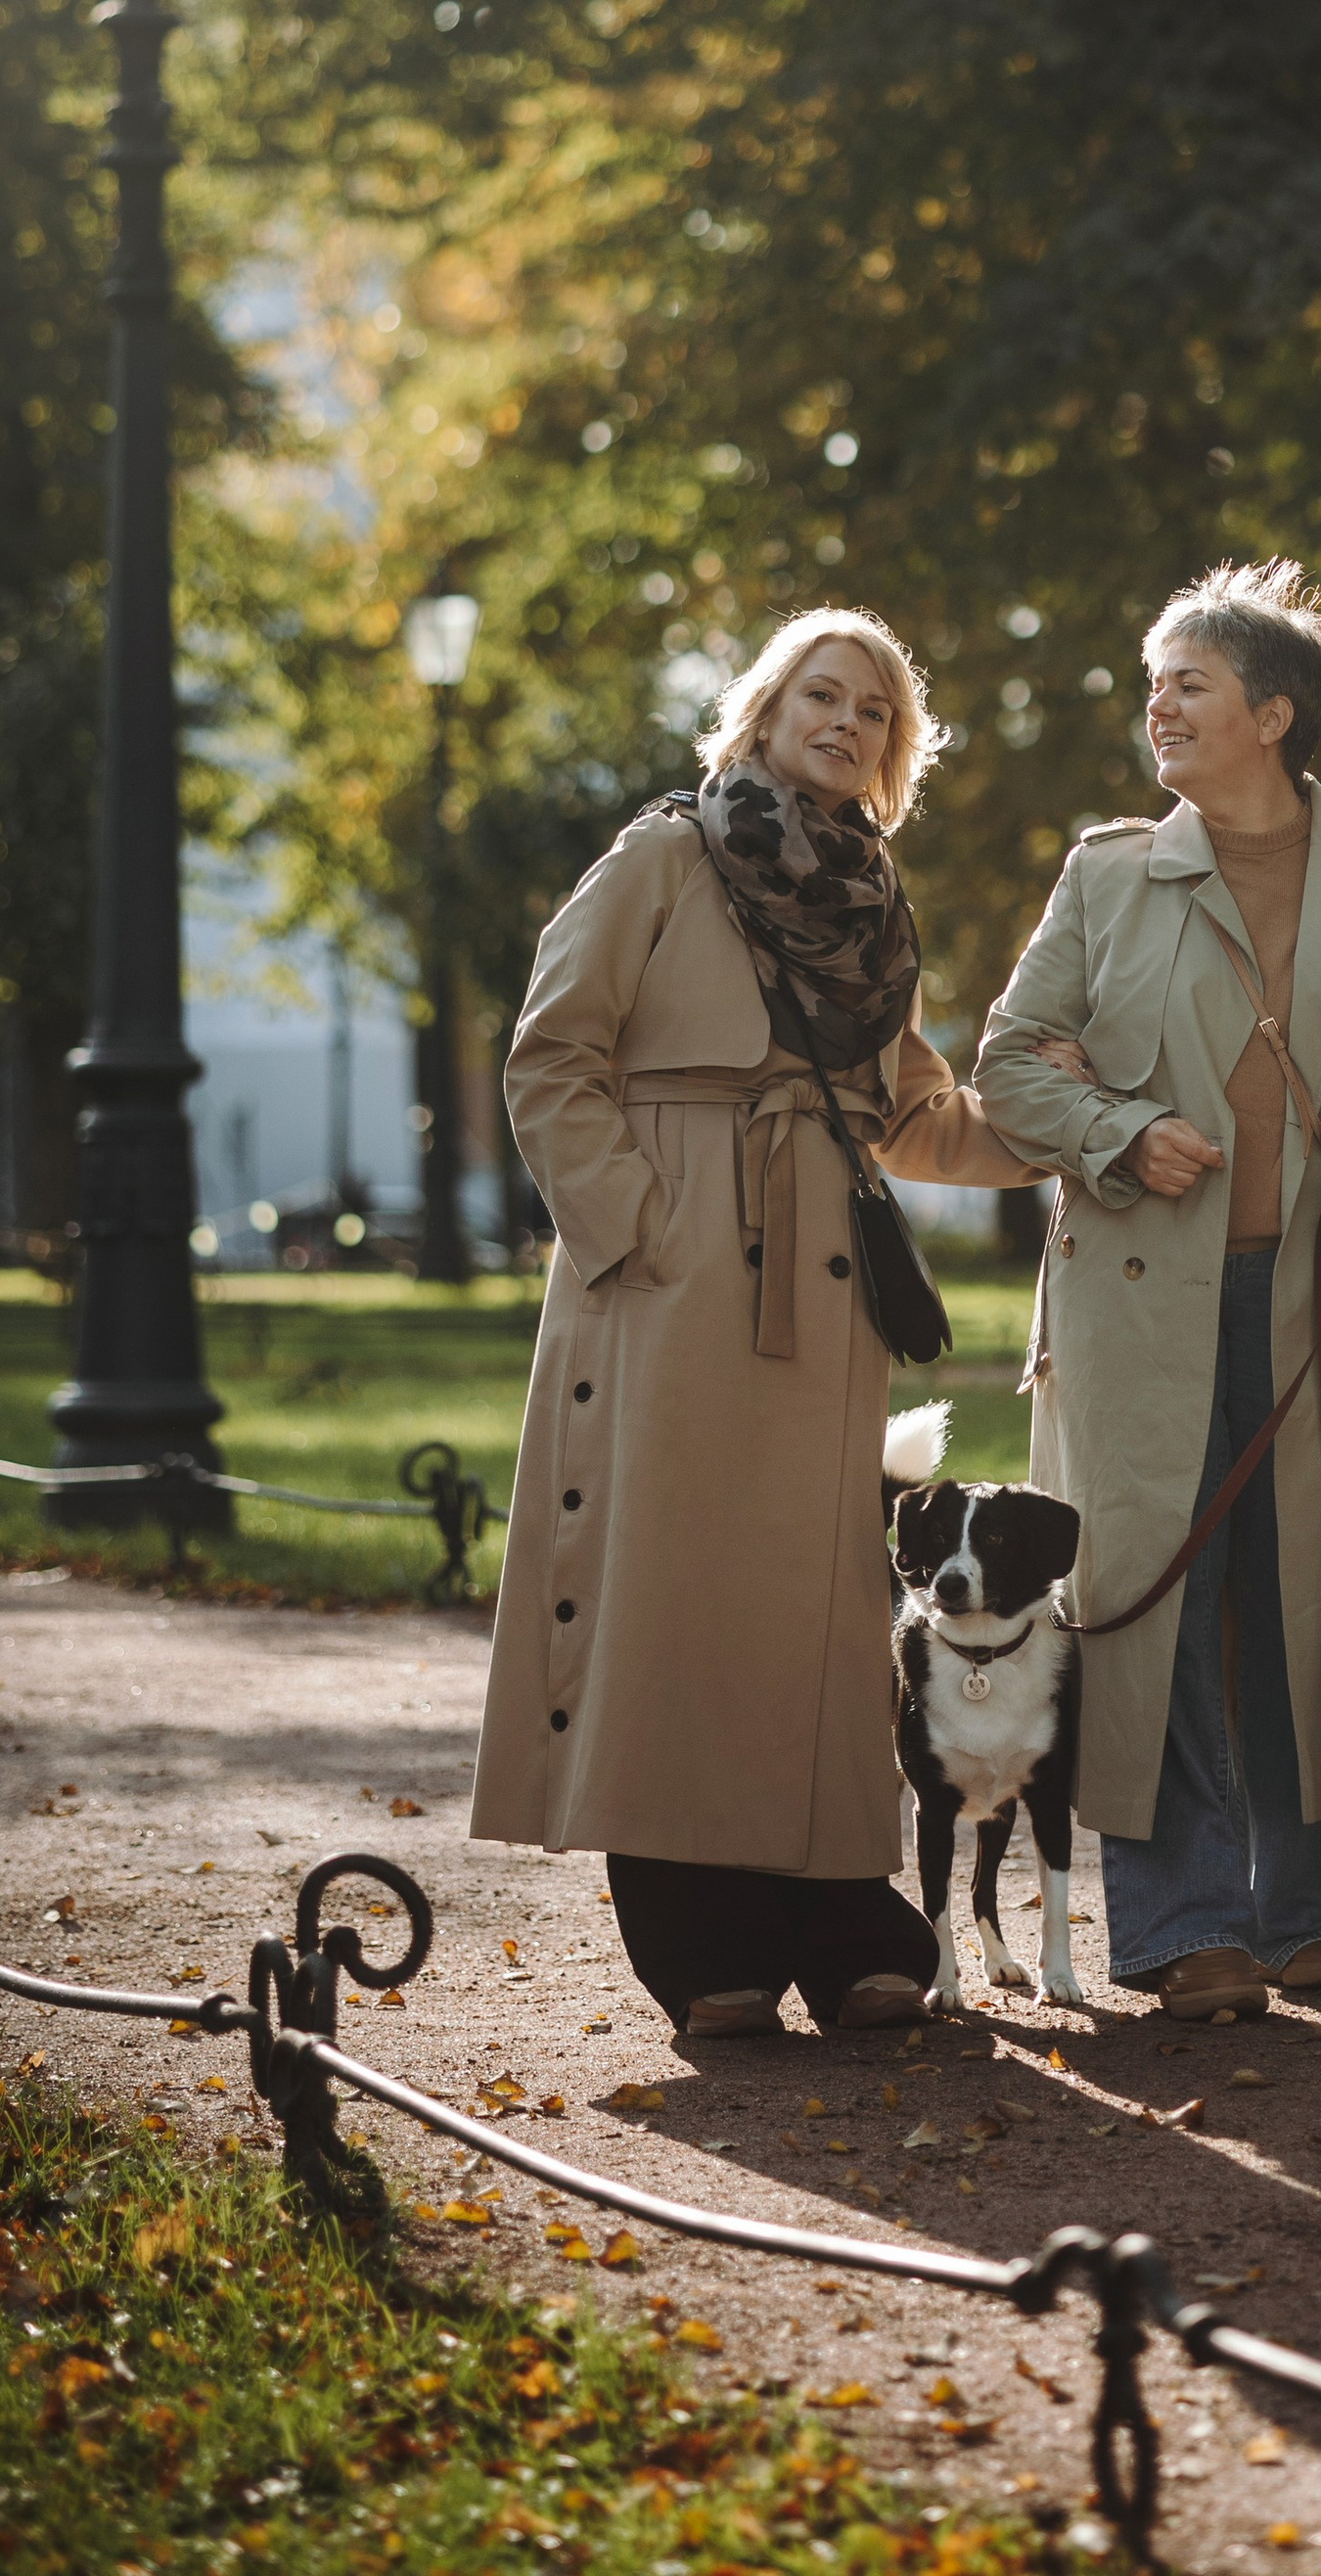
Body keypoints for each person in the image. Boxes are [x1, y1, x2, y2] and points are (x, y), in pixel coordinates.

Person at [471, 607, 1042, 2039]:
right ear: (765, 706)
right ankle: (699, 1936)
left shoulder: (872, 904)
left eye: (876, 713)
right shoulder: (666, 853)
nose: (846, 722)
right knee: (674, 1600)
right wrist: (637, 1235)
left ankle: (839, 1910)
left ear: (891, 754)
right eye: (823, 694)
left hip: (821, 1290)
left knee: (819, 1619)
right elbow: (550, 1060)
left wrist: (1071, 1129)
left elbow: (915, 1112)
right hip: (667, 1285)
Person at [977, 559, 1321, 2021]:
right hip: (1133, 1305)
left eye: (1188, 681)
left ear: (1274, 713)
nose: (1157, 702)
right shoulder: (1104, 873)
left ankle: (1317, 1910)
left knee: (1315, 1595)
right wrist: (1114, 1135)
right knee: (1155, 1605)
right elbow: (1011, 1062)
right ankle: (1184, 1925)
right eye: (1154, 681)